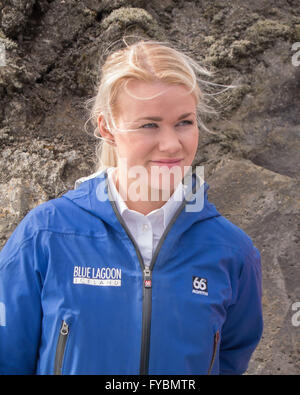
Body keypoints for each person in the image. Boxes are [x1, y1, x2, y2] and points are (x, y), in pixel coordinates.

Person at [0, 39, 263, 375]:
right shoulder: (46, 234)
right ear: (106, 127)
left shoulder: (233, 251)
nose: (171, 144)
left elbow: (231, 355)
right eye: (149, 125)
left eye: (184, 122)